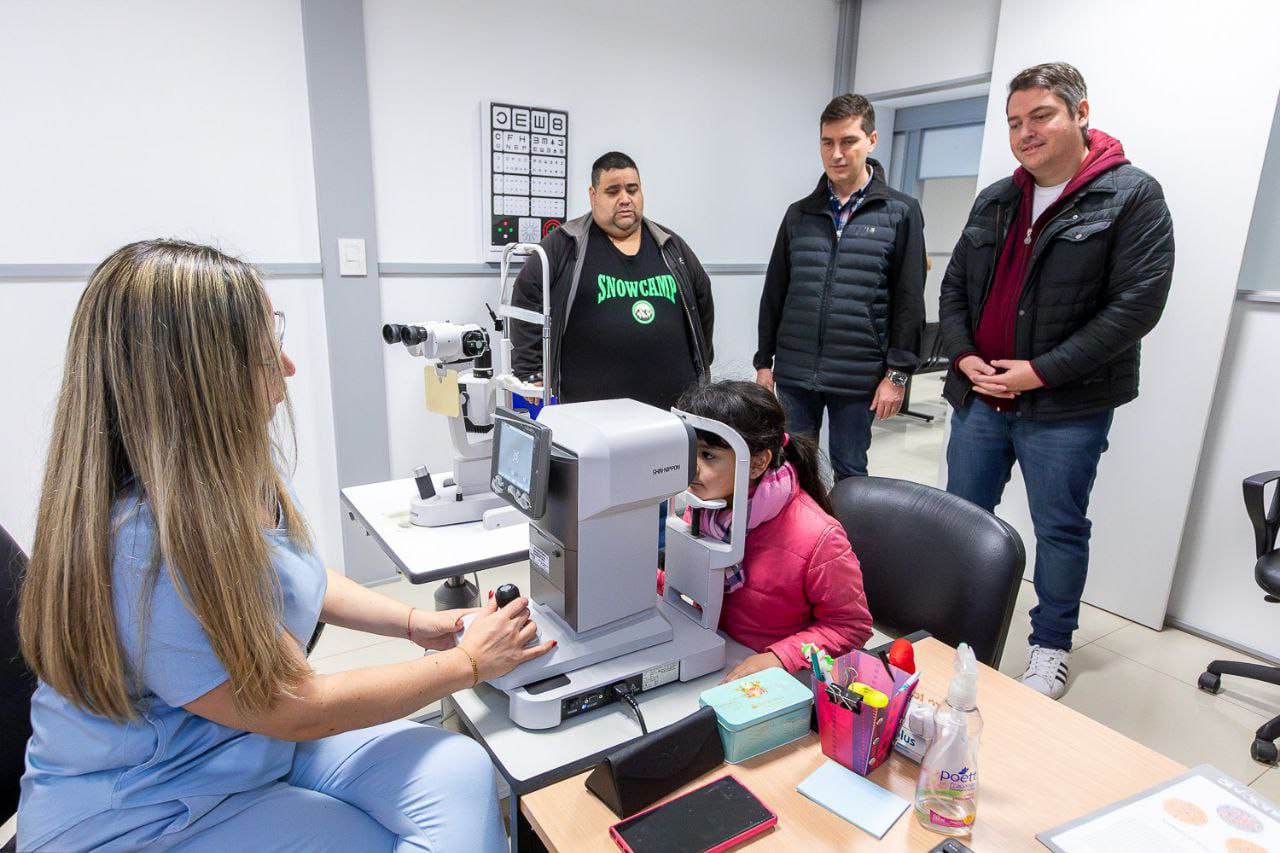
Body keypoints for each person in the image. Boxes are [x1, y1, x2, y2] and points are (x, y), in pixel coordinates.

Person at [17, 240, 554, 850]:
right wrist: (466, 664)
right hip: (151, 804)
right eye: (267, 347)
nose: (288, 367)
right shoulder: (144, 549)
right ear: (202, 377)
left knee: (459, 771)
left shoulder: (233, 473)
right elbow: (297, 706)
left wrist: (411, 623)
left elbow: (300, 575)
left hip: (243, 744)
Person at [939, 62, 1174, 699]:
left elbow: (1135, 307)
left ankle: (1050, 646)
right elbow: (955, 287)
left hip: (1066, 407)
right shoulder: (996, 199)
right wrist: (962, 358)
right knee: (962, 520)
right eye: (1015, 122)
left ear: (1080, 113)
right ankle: (954, 632)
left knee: (1060, 529)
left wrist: (1039, 372)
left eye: (1040, 116)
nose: (1025, 132)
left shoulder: (1130, 196)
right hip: (980, 398)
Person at [754, 93, 926, 479]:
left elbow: (909, 300)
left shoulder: (900, 212)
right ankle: (800, 541)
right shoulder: (800, 214)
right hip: (796, 371)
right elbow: (775, 291)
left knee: (850, 470)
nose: (836, 154)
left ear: (871, 140)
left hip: (857, 373)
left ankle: (847, 540)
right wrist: (763, 362)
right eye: (827, 142)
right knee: (794, 467)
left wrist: (897, 375)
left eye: (848, 141)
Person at [665, 380, 873, 684]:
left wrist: (780, 656)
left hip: (774, 675)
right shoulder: (707, 507)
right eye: (689, 453)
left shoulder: (818, 538)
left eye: (708, 456)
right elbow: (695, 583)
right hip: (714, 648)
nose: (691, 469)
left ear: (757, 463)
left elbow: (851, 627)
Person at [510, 150, 714, 410]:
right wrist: (531, 372)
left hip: (673, 413)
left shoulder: (670, 245)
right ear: (593, 196)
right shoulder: (565, 244)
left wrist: (702, 360)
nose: (625, 199)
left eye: (632, 189)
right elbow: (526, 300)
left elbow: (702, 300)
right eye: (613, 191)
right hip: (590, 416)